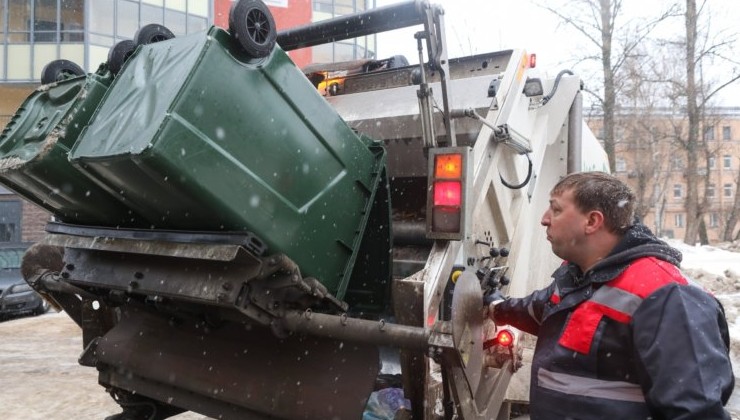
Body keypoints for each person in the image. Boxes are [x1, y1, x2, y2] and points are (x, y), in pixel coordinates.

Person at [487, 171, 734, 419]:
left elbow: (695, 411)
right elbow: (543, 309)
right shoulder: (579, 277)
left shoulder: (669, 296)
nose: (545, 219)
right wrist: (496, 307)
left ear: (592, 221)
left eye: (556, 209)